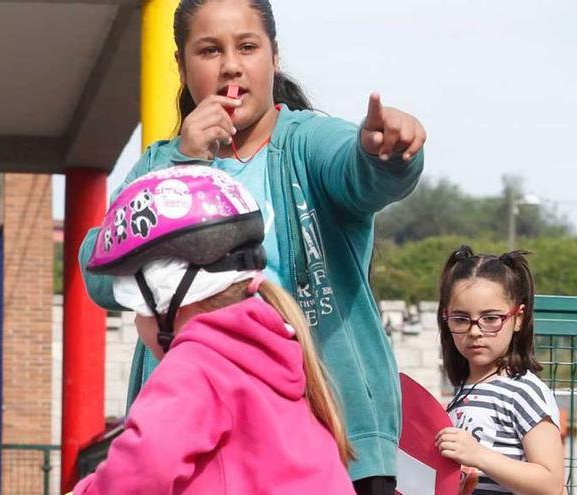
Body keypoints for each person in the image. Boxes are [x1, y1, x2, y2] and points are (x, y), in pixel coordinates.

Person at [78, 0, 426, 492]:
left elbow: (361, 175)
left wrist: (386, 155)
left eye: (247, 47)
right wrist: (182, 162)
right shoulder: (160, 164)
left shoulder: (309, 143)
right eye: (209, 50)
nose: (231, 66)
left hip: (335, 446)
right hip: (200, 453)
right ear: (181, 65)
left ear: (274, 56)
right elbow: (99, 271)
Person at [74, 165, 354, 494]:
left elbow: (139, 468)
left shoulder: (197, 366)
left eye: (137, 310)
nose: (137, 324)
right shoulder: (275, 356)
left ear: (165, 302)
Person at [434, 246, 564, 495]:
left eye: (491, 318)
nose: (475, 331)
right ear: (445, 318)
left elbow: (551, 483)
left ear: (518, 318)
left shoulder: (523, 391)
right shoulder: (463, 390)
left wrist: (478, 456)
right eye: (461, 319)